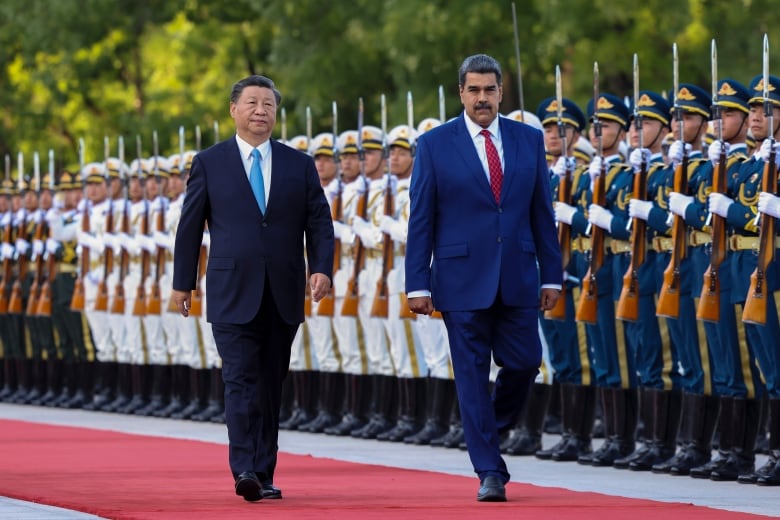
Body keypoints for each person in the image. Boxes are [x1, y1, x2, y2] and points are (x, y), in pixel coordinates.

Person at [405, 54, 562, 502]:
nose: (481, 98)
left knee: (526, 361)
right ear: (461, 93)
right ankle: (489, 470)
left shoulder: (527, 140)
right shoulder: (435, 144)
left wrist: (551, 275)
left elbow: (541, 213)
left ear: (500, 93)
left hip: (517, 274)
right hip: (458, 279)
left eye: (489, 90)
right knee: (471, 377)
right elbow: (422, 218)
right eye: (473, 90)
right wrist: (417, 283)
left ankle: (487, 428)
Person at [171, 74, 334, 503]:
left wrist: (321, 268)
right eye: (252, 103)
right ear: (234, 110)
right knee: (239, 379)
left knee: (269, 383)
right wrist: (181, 283)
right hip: (230, 289)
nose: (260, 111)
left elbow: (319, 221)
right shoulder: (210, 162)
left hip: (282, 289)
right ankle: (243, 466)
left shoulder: (299, 164)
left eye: (268, 105)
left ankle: (264, 470)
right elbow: (190, 227)